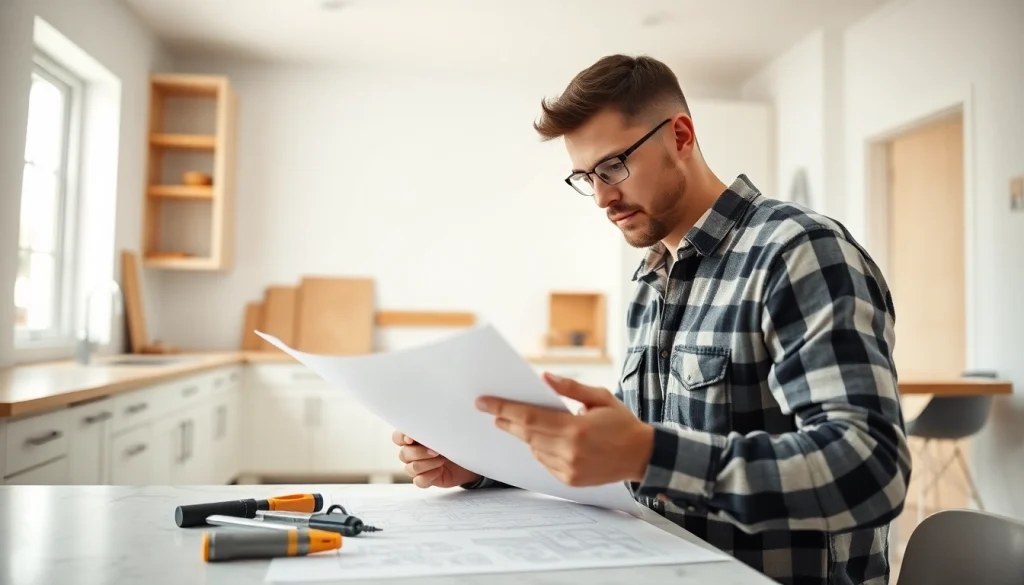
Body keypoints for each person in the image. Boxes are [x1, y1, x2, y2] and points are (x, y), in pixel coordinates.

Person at [392, 54, 911, 585]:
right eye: (585, 177)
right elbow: (628, 464)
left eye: (613, 166)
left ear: (680, 136)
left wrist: (647, 452)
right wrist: (483, 465)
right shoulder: (651, 281)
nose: (600, 197)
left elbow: (871, 471)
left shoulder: (798, 252)